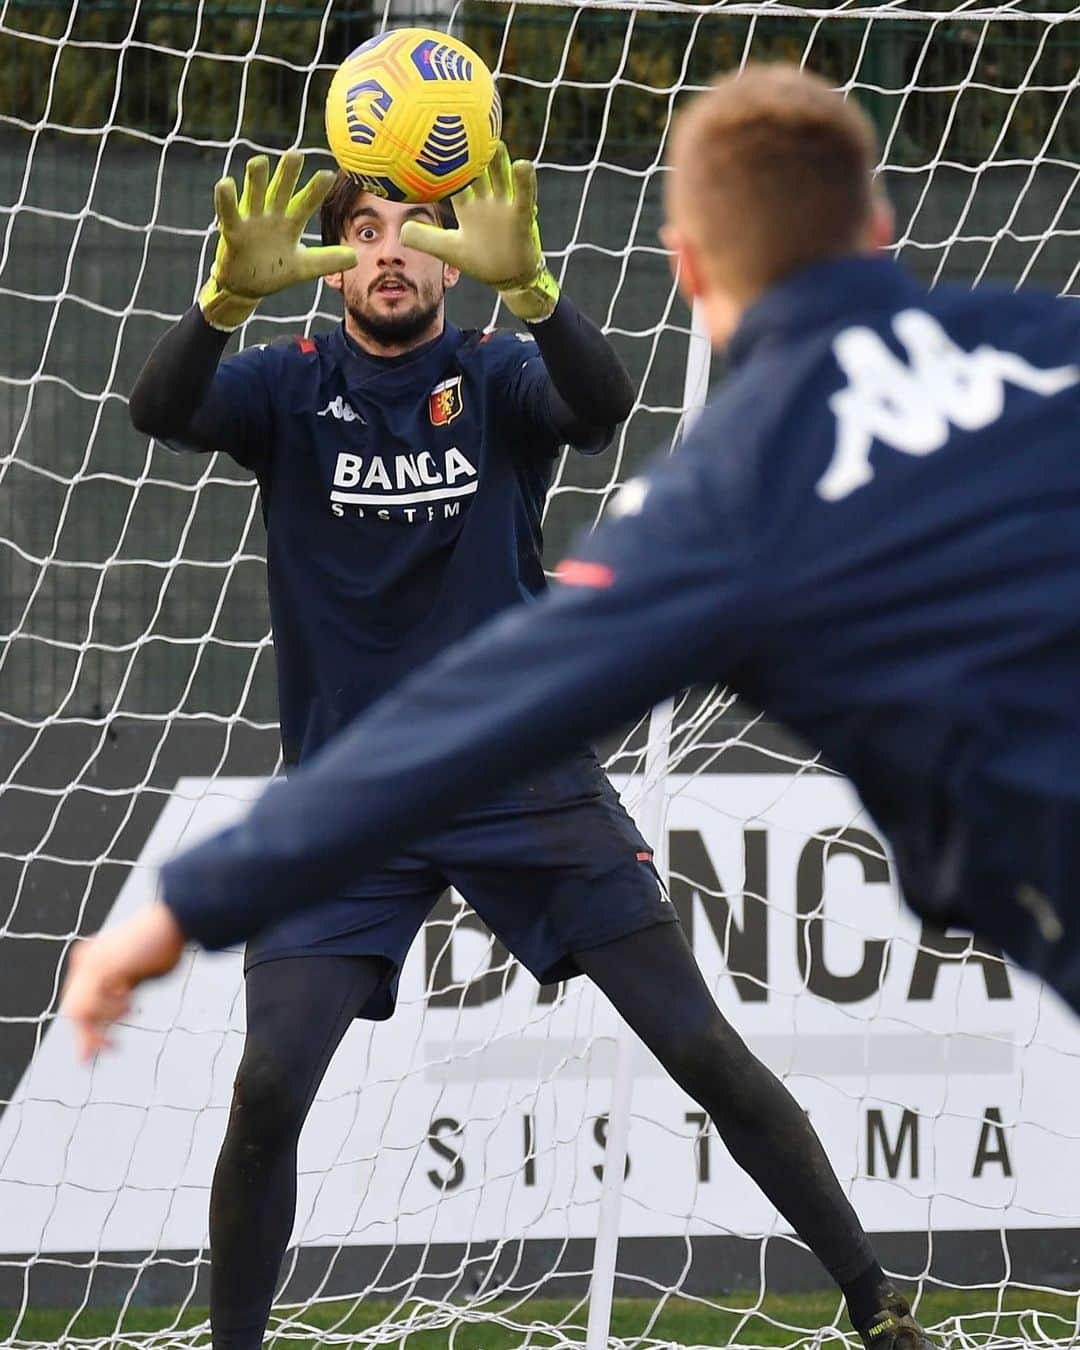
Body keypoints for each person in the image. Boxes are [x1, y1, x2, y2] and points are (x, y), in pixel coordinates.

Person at [80, 134, 927, 1350]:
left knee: (695, 1043)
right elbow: (159, 412)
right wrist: (219, 301)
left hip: (517, 772)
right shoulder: (284, 387)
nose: (390, 255)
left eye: (416, 232)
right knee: (266, 1088)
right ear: (328, 265)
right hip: (348, 801)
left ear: (452, 263)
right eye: (364, 230)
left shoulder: (494, 376)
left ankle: (876, 1303)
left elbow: (602, 402)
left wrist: (537, 291)